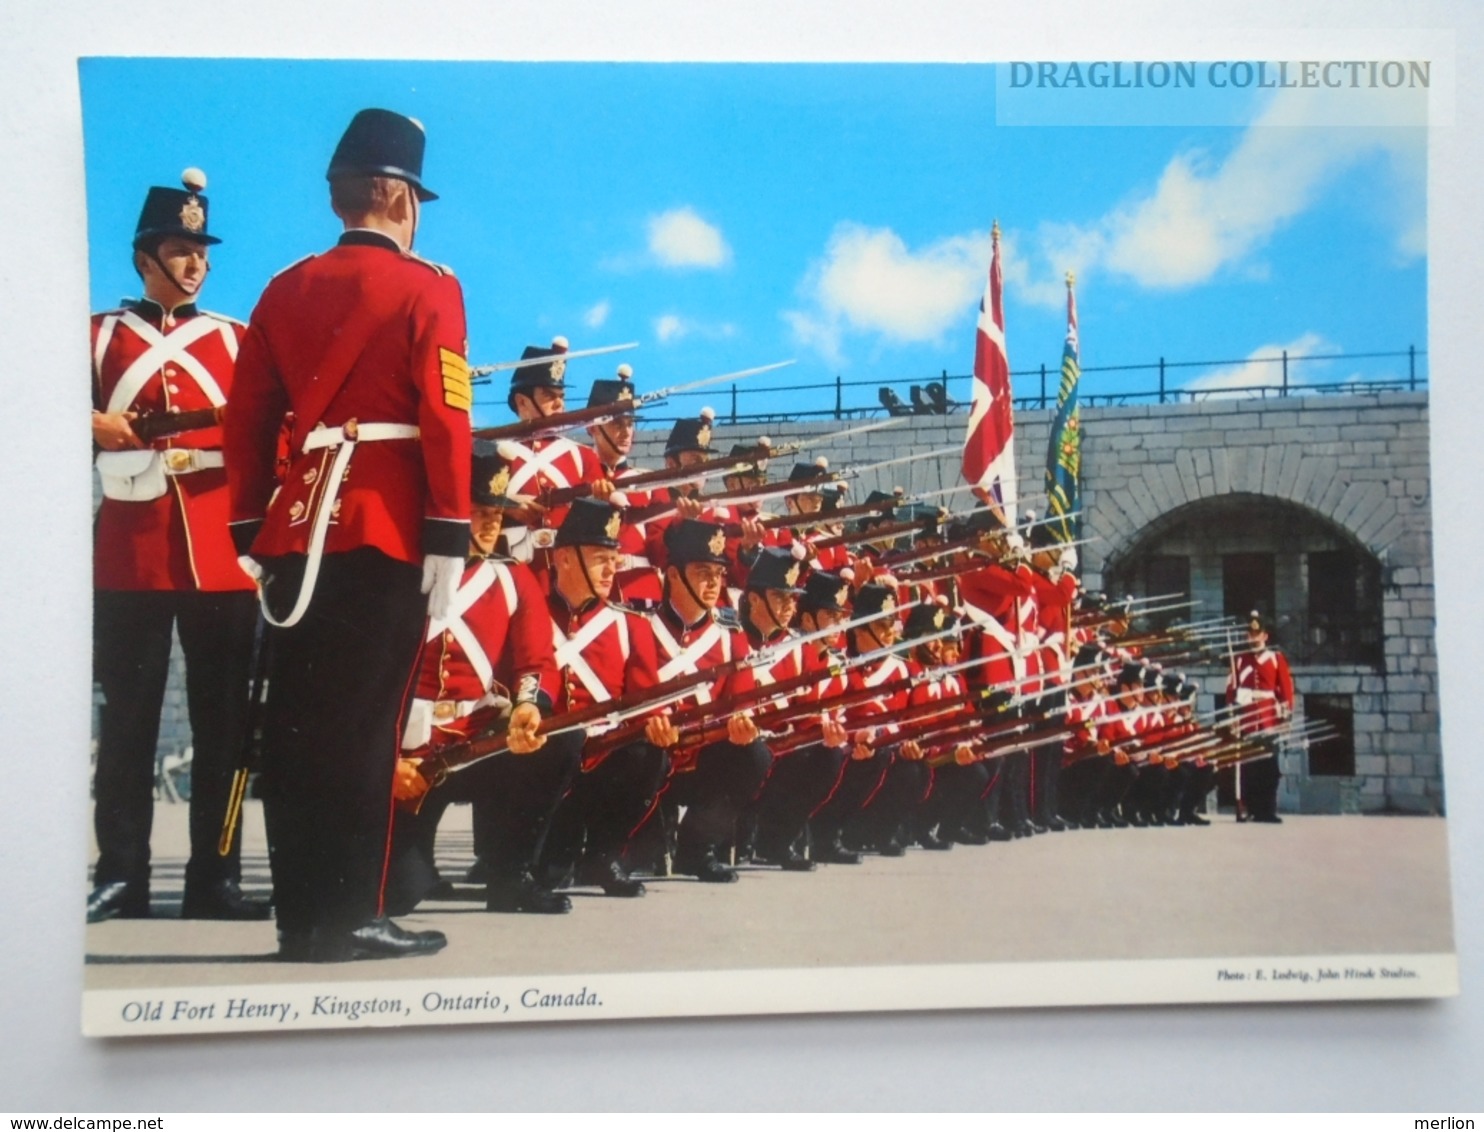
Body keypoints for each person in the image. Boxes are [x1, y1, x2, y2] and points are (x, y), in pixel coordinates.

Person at [224, 108, 468, 962]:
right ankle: (353, 915)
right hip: (386, 530)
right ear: (395, 195)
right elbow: (444, 416)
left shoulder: (283, 287)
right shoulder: (430, 286)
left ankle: (301, 919)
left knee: (296, 731)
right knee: (366, 730)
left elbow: (246, 415)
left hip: (297, 534)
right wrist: (450, 530)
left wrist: (252, 523)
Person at [89, 169, 269, 924]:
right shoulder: (97, 335)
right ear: (144, 258)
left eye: (200, 250)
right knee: (127, 721)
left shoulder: (235, 339)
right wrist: (88, 419)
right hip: (129, 553)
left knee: (224, 727)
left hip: (220, 560)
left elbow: (273, 433)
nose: (195, 263)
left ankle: (214, 878)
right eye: (178, 248)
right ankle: (123, 875)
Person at [384, 446, 566, 916]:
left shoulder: (513, 579)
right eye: (479, 511)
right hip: (405, 747)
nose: (491, 524)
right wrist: (385, 764)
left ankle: (510, 878)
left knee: (558, 740)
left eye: (497, 513)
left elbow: (537, 661)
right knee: (400, 895)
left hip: (472, 740)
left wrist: (529, 706)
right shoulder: (400, 571)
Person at [1227, 610, 1295, 823]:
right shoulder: (1239, 660)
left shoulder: (1276, 659)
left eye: (1257, 634)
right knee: (1248, 768)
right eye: (1250, 634)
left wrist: (1285, 717)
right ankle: (1249, 807)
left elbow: (1285, 690)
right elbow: (1232, 690)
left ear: (1265, 636)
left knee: (1269, 767)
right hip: (1247, 718)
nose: (1253, 638)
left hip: (1268, 718)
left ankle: (1267, 809)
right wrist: (1232, 715)